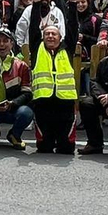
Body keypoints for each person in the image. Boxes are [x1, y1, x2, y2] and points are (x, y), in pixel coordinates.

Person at [30, 23, 79, 155]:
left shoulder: (68, 49)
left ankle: (64, 142)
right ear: (43, 37)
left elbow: (73, 29)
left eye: (54, 34)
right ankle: (46, 141)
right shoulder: (37, 48)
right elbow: (33, 29)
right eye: (47, 34)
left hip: (65, 101)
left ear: (60, 37)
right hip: (43, 102)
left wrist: (73, 5)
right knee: (44, 148)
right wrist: (36, 4)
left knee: (66, 149)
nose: (50, 36)